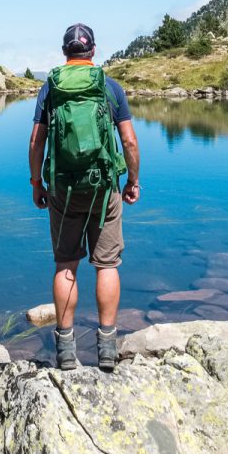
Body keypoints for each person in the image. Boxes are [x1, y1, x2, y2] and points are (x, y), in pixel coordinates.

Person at [28, 23, 141, 371]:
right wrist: (132, 180)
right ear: (93, 51)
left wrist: (37, 182)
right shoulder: (109, 86)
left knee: (66, 265)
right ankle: (107, 348)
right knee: (106, 265)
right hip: (104, 187)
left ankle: (65, 352)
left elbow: (36, 142)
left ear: (65, 52)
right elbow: (130, 142)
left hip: (63, 188)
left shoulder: (52, 87)